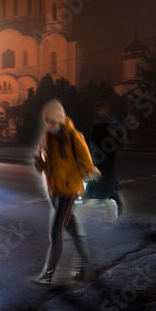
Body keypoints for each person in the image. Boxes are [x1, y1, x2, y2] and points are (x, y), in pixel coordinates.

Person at [32, 99, 100, 284]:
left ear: (60, 121)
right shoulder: (46, 138)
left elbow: (85, 160)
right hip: (54, 190)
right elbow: (41, 166)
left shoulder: (73, 136)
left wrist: (88, 174)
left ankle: (48, 274)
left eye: (52, 122)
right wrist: (40, 164)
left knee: (56, 231)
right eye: (47, 122)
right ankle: (86, 267)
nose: (49, 125)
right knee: (73, 228)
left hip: (69, 190)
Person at [85, 102, 123, 219]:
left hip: (107, 159)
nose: (99, 112)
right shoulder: (98, 125)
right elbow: (93, 142)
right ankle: (108, 206)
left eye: (101, 110)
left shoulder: (111, 125)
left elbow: (118, 141)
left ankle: (115, 205)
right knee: (101, 183)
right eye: (98, 110)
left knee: (105, 183)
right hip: (100, 159)